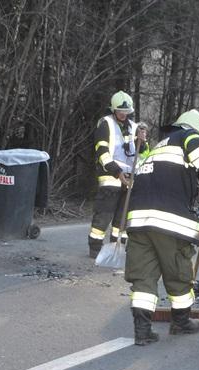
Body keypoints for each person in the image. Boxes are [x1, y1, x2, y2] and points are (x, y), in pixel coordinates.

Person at [125, 110, 199, 346]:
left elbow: (168, 191)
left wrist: (197, 227)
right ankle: (181, 322)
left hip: (138, 222)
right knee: (179, 276)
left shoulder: (159, 148)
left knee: (143, 278)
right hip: (168, 225)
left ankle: (142, 331)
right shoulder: (188, 137)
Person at [88, 91, 145, 257]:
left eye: (126, 111)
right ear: (113, 109)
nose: (123, 114)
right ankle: (95, 248)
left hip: (130, 178)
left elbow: (142, 153)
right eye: (120, 111)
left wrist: (142, 141)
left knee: (122, 218)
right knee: (104, 215)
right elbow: (102, 152)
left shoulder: (134, 127)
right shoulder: (105, 124)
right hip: (110, 177)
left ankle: (117, 248)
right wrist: (117, 172)